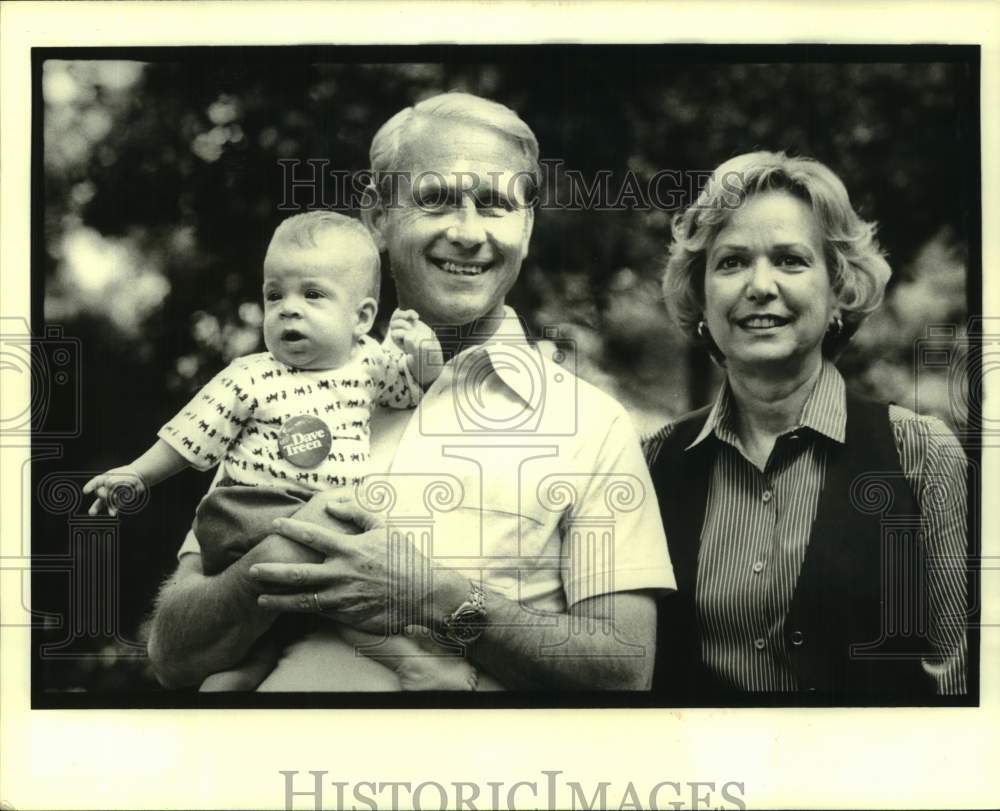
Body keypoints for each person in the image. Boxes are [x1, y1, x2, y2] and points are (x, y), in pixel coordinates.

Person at [145, 92, 675, 692]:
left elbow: (626, 669)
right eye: (435, 199)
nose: (468, 232)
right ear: (377, 217)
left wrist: (434, 597)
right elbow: (173, 655)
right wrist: (275, 561)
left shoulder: (591, 424)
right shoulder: (279, 390)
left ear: (525, 227)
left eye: (496, 204)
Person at [86, 210, 480, 690]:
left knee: (289, 610)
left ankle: (239, 677)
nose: (288, 309)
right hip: (248, 511)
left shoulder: (370, 363)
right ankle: (409, 661)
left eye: (312, 295)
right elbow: (192, 433)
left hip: (299, 520)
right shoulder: (252, 374)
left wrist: (421, 352)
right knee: (347, 564)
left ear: (362, 318)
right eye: (275, 295)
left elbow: (413, 388)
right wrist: (137, 474)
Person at [645, 151, 968, 700]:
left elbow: (958, 685)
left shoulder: (921, 455)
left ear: (839, 288)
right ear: (701, 295)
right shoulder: (654, 462)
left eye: (791, 260)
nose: (760, 286)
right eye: (731, 262)